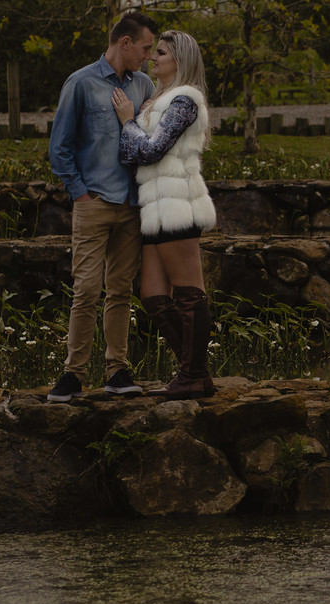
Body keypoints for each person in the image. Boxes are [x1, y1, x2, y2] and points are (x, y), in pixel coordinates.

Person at [47, 11, 158, 402]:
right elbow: (59, 147)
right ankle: (73, 374)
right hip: (93, 202)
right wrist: (80, 193)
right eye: (145, 48)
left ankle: (117, 371)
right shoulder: (80, 83)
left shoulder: (144, 86)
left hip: (131, 206)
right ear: (125, 43)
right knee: (87, 290)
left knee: (121, 292)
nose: (147, 56)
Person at [111, 29, 217, 399]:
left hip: (178, 204)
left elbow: (151, 151)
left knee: (189, 293)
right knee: (154, 297)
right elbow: (131, 155)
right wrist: (135, 128)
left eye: (160, 52)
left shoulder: (186, 100)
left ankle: (191, 377)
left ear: (180, 60)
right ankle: (196, 374)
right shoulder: (158, 101)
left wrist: (128, 123)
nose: (152, 58)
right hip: (152, 206)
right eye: (154, 52)